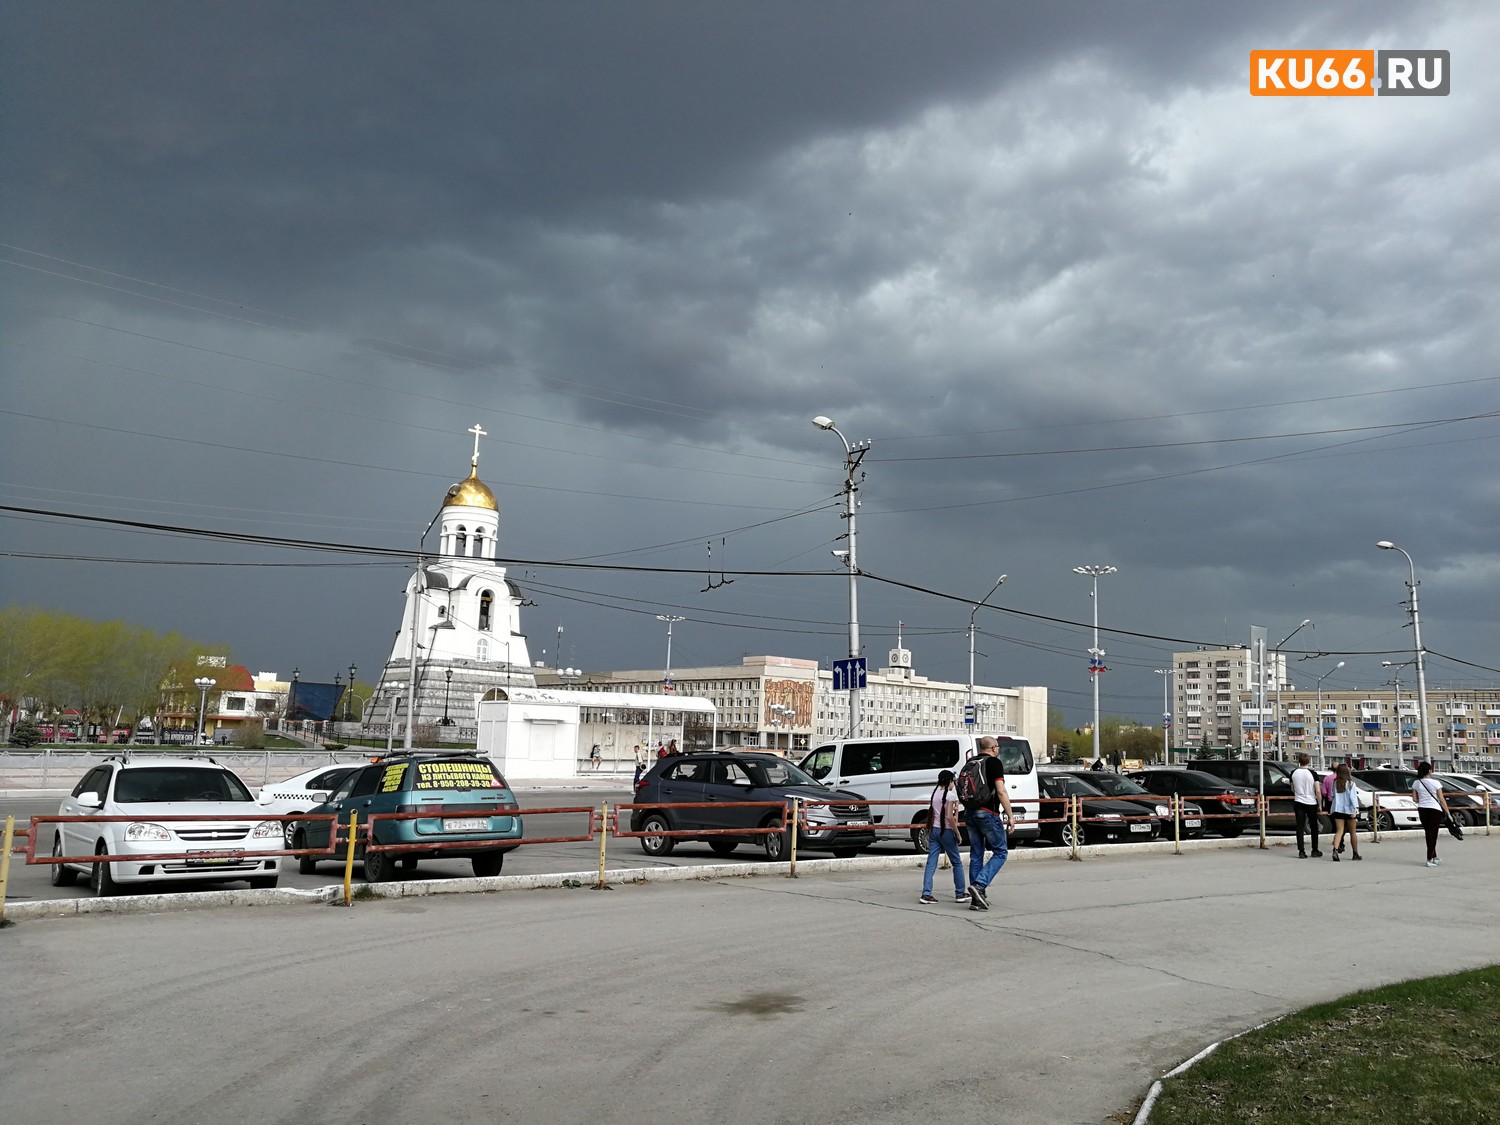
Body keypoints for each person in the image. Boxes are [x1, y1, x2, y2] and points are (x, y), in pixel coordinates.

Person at [962, 735, 1014, 911]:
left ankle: (977, 899)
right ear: (993, 748)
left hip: (970, 813)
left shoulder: (970, 763)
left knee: (976, 854)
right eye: (997, 747)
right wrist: (1010, 815)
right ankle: (979, 886)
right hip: (988, 813)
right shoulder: (994, 763)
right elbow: (1001, 791)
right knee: (1000, 852)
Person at [919, 770, 967, 904]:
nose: (954, 783)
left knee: (931, 863)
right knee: (957, 862)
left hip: (934, 831)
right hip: (946, 831)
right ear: (949, 781)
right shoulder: (950, 796)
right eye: (953, 781)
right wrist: (957, 833)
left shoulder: (935, 794)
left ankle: (926, 894)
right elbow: (949, 817)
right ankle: (960, 893)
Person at [1412, 761, 1451, 868]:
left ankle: (1434, 856)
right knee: (1432, 835)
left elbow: (1415, 799)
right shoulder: (1436, 783)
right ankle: (1429, 859)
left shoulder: (1416, 783)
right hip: (1434, 810)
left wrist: (1423, 798)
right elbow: (1441, 799)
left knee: (1429, 833)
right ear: (1429, 770)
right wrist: (1448, 812)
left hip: (1422, 809)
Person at [1290, 753, 1323, 858]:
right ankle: (1315, 850)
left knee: (1300, 827)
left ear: (1299, 761)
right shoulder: (1313, 773)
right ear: (1308, 761)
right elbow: (1317, 791)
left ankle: (1301, 851)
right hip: (1311, 802)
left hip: (1298, 801)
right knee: (1314, 826)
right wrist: (1320, 804)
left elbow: (1292, 789)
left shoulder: (1293, 773)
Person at [1327, 762, 1361, 861]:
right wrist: (1355, 809)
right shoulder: (1350, 783)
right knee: (1352, 832)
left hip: (1337, 809)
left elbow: (1332, 796)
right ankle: (1355, 854)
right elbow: (1353, 798)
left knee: (1339, 831)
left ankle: (1335, 850)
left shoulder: (1335, 783)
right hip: (1349, 810)